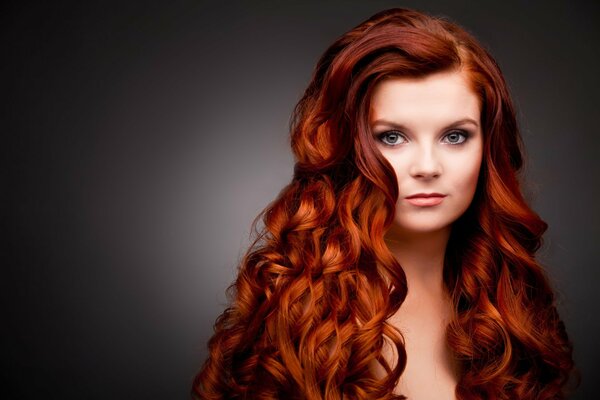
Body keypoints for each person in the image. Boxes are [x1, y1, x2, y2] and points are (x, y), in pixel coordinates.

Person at [192, 8, 575, 399]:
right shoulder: (294, 321)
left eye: (455, 136)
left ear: (488, 149)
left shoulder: (511, 307)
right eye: (392, 137)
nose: (427, 167)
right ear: (346, 147)